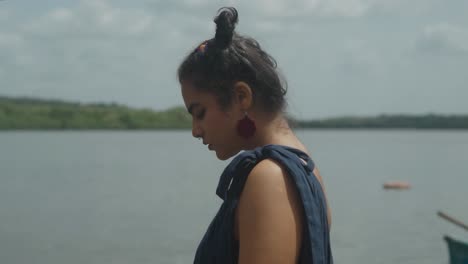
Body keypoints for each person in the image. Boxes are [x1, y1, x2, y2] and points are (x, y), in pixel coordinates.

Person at [177, 7, 333, 264]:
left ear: (241, 97)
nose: (195, 130)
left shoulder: (271, 177)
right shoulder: (306, 169)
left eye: (200, 112)